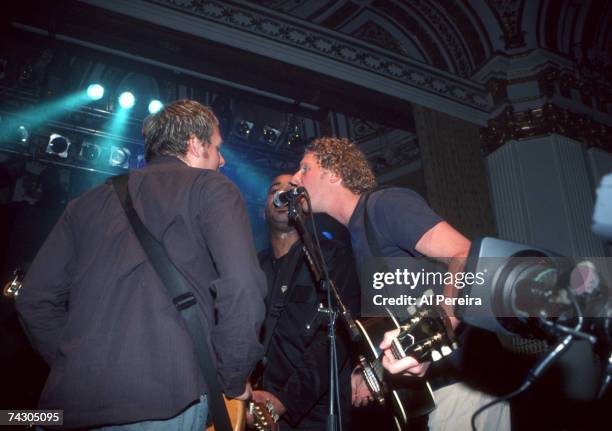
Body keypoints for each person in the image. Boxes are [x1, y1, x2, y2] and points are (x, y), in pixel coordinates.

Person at [16, 100, 267, 430]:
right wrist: (231, 379)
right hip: (164, 403)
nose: (221, 159)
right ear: (194, 143)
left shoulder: (85, 203)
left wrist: (77, 363)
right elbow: (243, 290)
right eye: (218, 148)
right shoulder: (212, 188)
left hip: (64, 410)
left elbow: (34, 299)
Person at [290, 137, 510, 430]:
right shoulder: (355, 235)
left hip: (462, 383)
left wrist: (432, 339)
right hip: (436, 393)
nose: (295, 179)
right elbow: (400, 316)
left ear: (334, 173)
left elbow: (466, 255)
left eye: (305, 168)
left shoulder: (385, 205)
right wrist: (371, 371)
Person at [252, 173, 360, 430]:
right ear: (262, 211)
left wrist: (284, 400)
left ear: (307, 207)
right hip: (256, 408)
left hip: (316, 414)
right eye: (275, 189)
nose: (283, 194)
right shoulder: (252, 266)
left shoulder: (333, 258)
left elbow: (337, 337)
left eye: (293, 190)